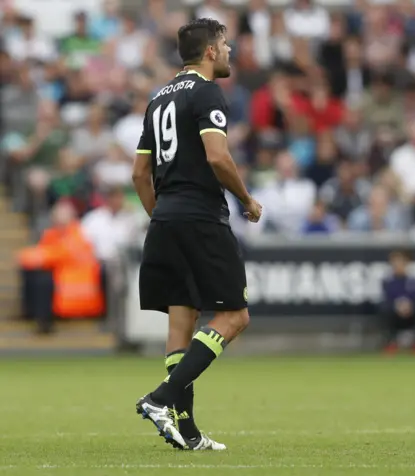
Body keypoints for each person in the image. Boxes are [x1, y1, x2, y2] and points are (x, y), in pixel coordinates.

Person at [131, 18, 262, 451]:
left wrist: (160, 215)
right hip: (200, 216)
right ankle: (161, 399)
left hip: (165, 217)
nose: (228, 52)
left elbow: (139, 172)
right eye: (224, 45)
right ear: (209, 52)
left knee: (181, 322)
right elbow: (218, 157)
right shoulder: (206, 91)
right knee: (233, 317)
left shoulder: (158, 97)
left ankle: (186, 432)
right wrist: (246, 198)